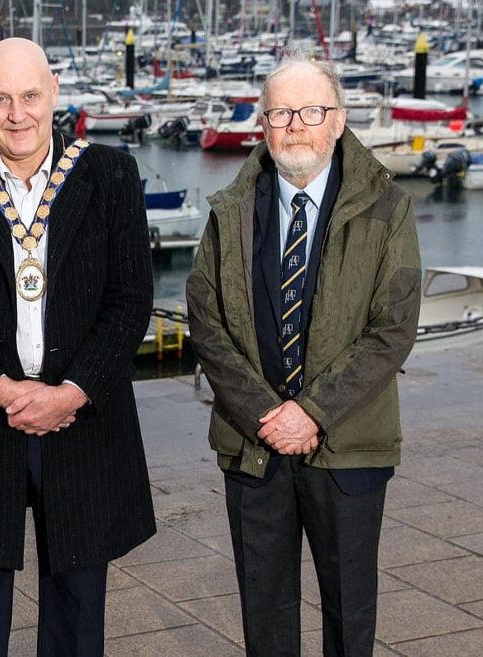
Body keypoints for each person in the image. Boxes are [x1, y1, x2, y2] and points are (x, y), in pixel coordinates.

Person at [0, 38, 157, 657]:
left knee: (77, 613)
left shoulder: (110, 175)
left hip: (81, 421)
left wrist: (72, 392)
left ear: (54, 94)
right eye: (1, 98)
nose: (18, 113)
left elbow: (130, 303)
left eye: (30, 96)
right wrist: (2, 389)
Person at [186, 57, 421, 657]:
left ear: (338, 121)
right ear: (263, 124)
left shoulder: (387, 208)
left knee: (350, 615)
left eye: (311, 112)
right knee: (264, 618)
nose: (296, 126)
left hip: (349, 448)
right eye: (281, 113)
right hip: (252, 446)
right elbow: (207, 324)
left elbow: (392, 329)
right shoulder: (229, 210)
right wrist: (268, 414)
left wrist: (311, 412)